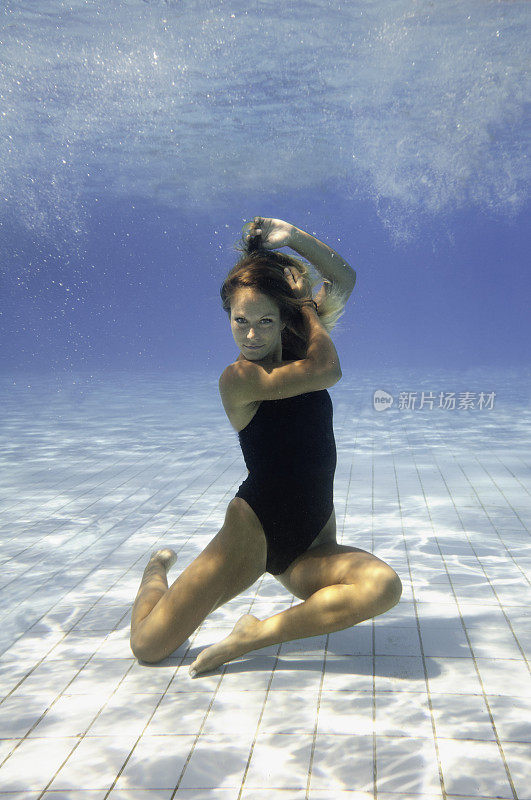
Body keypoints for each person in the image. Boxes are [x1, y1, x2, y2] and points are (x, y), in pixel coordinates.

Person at [130, 216, 402, 676]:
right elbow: (329, 371)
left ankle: (255, 635)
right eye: (240, 322)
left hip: (311, 539)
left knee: (383, 588)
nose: (252, 334)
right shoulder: (239, 379)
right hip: (252, 532)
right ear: (227, 319)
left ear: (282, 320)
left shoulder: (302, 341)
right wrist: (306, 308)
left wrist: (294, 238)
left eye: (264, 321)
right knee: (149, 646)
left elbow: (345, 278)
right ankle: (154, 570)